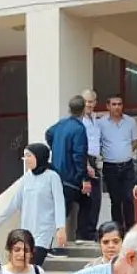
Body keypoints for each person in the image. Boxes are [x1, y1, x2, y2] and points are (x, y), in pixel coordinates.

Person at [0, 143, 67, 266]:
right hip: (26, 231)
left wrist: (60, 228)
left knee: (34, 265)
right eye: (25, 156)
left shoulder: (52, 177)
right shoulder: (26, 178)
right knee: (29, 268)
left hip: (44, 231)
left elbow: (59, 203)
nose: (26, 159)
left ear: (39, 157)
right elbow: (14, 203)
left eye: (29, 156)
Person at [46, 96, 92, 240]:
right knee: (88, 200)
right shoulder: (79, 129)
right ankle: (82, 237)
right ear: (84, 109)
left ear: (69, 109)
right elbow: (79, 156)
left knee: (60, 210)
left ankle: (50, 244)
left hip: (57, 173)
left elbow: (48, 134)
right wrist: (84, 178)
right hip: (71, 178)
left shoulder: (60, 124)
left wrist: (56, 146)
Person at [100, 93, 137, 231]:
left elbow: (135, 141)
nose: (117, 107)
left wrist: (125, 151)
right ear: (108, 106)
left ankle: (130, 229)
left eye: (119, 104)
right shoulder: (101, 123)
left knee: (128, 199)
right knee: (115, 200)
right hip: (110, 166)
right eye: (114, 104)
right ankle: (117, 230)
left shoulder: (130, 121)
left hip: (127, 165)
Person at [79, 89, 104, 241]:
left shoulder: (96, 119)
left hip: (96, 159)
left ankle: (91, 229)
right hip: (85, 159)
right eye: (86, 101)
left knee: (97, 198)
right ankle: (83, 232)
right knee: (87, 197)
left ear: (95, 102)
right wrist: (86, 163)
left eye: (91, 101)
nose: (89, 104)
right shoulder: (79, 120)